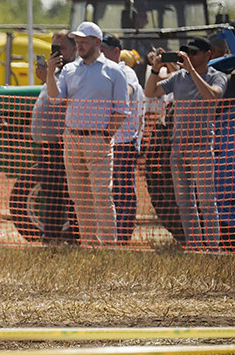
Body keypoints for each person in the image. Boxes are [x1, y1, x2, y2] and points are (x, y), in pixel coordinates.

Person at [46, 21, 130, 247]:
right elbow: (55, 98)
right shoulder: (70, 69)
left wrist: (105, 136)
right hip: (72, 137)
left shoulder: (114, 71)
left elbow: (122, 110)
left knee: (102, 195)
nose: (79, 46)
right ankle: (88, 244)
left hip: (97, 139)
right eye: (78, 42)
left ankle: (108, 246)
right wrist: (50, 73)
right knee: (80, 197)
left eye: (84, 42)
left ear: (97, 42)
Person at [144, 36, 229, 250]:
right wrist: (155, 69)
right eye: (186, 53)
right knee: (185, 203)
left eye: (194, 53)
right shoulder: (178, 77)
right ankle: (194, 246)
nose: (189, 56)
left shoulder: (217, 76)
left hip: (201, 145)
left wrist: (191, 71)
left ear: (207, 55)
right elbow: (150, 92)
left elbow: (213, 97)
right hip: (178, 146)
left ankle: (213, 248)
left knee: (207, 203)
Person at [29, 30, 79, 242]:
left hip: (62, 144)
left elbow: (60, 100)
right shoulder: (56, 73)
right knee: (51, 192)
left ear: (74, 49)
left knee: (67, 193)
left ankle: (72, 237)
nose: (56, 52)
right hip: (47, 144)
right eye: (53, 48)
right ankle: (50, 237)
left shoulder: (72, 72)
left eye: (62, 48)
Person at [100, 33, 144, 243]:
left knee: (123, 189)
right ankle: (110, 234)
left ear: (116, 51)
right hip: (106, 140)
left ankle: (122, 236)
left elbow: (127, 91)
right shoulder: (101, 71)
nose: (99, 52)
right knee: (108, 189)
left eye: (104, 49)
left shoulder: (126, 72)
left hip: (124, 140)